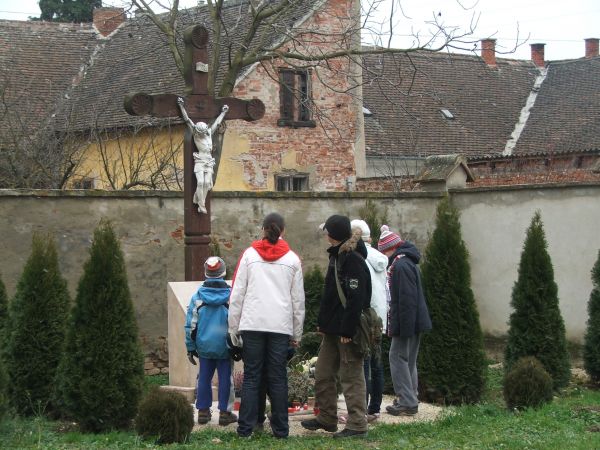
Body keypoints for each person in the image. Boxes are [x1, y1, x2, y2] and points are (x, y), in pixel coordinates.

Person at [228, 213, 305, 439]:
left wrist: (233, 328)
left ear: (263, 230)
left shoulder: (249, 255)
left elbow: (237, 294)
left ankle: (246, 429)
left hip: (252, 324)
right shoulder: (292, 259)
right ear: (283, 231)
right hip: (280, 326)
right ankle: (281, 431)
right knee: (278, 377)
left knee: (252, 377)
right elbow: (297, 301)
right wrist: (297, 333)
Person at [301, 215, 371, 439]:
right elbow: (331, 295)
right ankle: (327, 418)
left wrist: (347, 331)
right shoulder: (338, 255)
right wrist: (323, 323)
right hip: (333, 330)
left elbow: (356, 298)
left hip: (347, 331)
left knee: (351, 377)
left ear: (333, 234)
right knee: (322, 373)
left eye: (327, 231)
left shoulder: (352, 259)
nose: (324, 234)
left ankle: (358, 425)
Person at [378, 225, 432, 416]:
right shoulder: (407, 262)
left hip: (407, 322)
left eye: (383, 252)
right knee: (408, 359)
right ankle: (410, 396)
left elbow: (407, 300)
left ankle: (407, 401)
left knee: (397, 357)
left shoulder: (400, 266)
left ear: (389, 249)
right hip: (415, 320)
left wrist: (404, 328)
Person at [184, 256, 238, 426]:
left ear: (206, 273)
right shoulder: (231, 297)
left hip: (204, 347)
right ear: (223, 273)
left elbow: (190, 325)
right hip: (225, 346)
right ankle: (225, 412)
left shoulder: (197, 298)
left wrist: (190, 348)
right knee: (225, 379)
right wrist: (238, 345)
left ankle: (203, 412)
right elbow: (237, 322)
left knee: (204, 378)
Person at [350, 219, 388, 422]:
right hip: (379, 316)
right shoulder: (379, 257)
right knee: (376, 362)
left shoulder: (358, 257)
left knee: (363, 362)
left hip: (365, 316)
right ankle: (375, 408)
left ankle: (362, 409)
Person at [177, 97, 228, 214]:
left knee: (206, 183)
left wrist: (223, 112)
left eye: (203, 132)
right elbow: (187, 119)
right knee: (200, 182)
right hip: (200, 160)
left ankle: (199, 198)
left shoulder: (209, 133)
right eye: (201, 133)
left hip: (209, 161)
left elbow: (218, 122)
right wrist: (181, 106)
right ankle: (201, 205)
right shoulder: (195, 133)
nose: (202, 134)